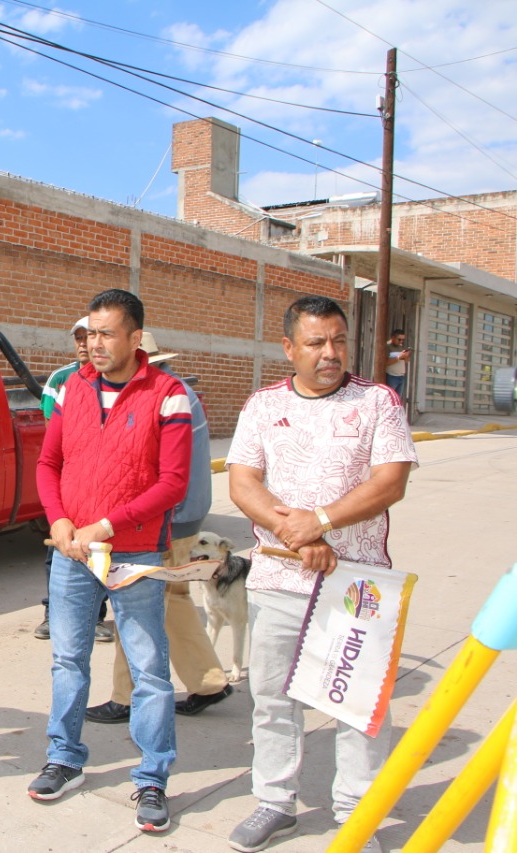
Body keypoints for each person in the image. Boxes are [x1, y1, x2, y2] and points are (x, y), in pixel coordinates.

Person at [226, 296, 416, 853]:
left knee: (356, 707)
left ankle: (357, 816)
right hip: (279, 579)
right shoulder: (263, 406)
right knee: (273, 699)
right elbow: (243, 484)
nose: (330, 353)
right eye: (316, 343)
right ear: (289, 348)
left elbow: (390, 482)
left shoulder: (377, 401)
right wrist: (296, 534)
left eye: (338, 341)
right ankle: (274, 801)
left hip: (356, 585)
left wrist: (322, 522)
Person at [29, 288, 192, 834]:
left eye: (106, 334)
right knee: (68, 661)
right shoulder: (72, 389)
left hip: (135, 552)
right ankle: (65, 758)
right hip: (72, 553)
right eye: (89, 333)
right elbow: (49, 461)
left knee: (149, 671)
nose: (94, 344)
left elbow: (173, 483)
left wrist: (107, 526)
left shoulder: (168, 395)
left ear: (135, 338)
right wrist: (57, 520)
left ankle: (151, 778)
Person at [85, 331, 233, 725]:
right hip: (186, 515)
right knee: (174, 601)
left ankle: (125, 696)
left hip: (166, 519)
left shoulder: (163, 394)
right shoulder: (178, 388)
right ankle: (209, 682)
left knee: (135, 605)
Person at [35, 316, 111, 644]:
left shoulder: (114, 379)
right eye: (78, 338)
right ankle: (53, 614)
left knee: (101, 553)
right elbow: (59, 434)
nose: (83, 344)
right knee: (61, 551)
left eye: (89, 336)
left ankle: (94, 617)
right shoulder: (61, 379)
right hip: (69, 484)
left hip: (104, 485)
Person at [384, 328, 410, 400]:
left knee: (397, 400)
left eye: (402, 340)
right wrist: (399, 357)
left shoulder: (401, 347)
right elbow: (385, 362)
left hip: (401, 377)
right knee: (390, 399)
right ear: (393, 337)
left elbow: (405, 362)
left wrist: (406, 356)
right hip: (392, 377)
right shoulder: (387, 347)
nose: (401, 342)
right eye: (399, 339)